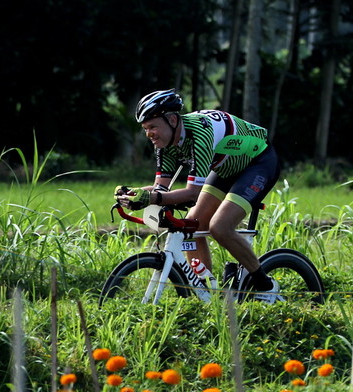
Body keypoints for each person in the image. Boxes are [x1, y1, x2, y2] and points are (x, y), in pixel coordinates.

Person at [114, 89, 282, 298]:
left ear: (173, 120)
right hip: (226, 168)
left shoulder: (200, 134)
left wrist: (152, 198)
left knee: (220, 226)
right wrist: (133, 194)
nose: (149, 134)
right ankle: (206, 294)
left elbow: (193, 194)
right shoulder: (165, 144)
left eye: (153, 127)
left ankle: (265, 285)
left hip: (258, 163)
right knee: (193, 223)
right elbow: (159, 190)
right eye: (145, 128)